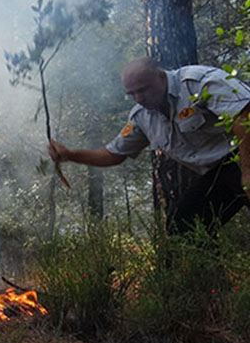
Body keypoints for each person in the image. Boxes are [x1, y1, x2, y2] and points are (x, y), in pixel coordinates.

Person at [48, 56, 250, 233]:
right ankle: (205, 275)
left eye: (143, 90)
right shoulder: (141, 117)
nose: (139, 98)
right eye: (132, 93)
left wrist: (248, 171)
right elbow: (114, 154)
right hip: (219, 172)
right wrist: (70, 154)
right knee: (185, 226)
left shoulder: (197, 82)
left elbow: (245, 116)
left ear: (161, 77)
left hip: (243, 155)